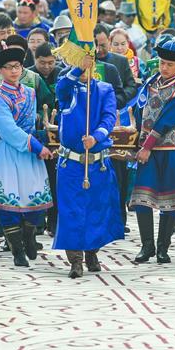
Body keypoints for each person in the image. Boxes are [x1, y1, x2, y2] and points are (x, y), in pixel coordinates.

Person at [130, 40, 175, 264]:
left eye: (170, 65)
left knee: (172, 200)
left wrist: (146, 147)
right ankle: (147, 246)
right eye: (162, 63)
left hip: (172, 149)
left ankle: (163, 247)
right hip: (147, 149)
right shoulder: (150, 83)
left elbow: (166, 121)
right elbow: (138, 109)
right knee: (143, 198)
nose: (164, 68)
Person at [53, 55, 122, 277]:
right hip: (71, 163)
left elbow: (109, 117)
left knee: (97, 209)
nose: (85, 69)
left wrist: (96, 137)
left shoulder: (104, 89)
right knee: (71, 211)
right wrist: (76, 69)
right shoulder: (67, 88)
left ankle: (92, 251)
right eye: (80, 65)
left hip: (98, 161)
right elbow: (61, 87)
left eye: (87, 65)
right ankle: (75, 260)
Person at [0, 46, 53, 268]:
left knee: (35, 200)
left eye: (17, 66)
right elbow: (9, 130)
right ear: (1, 72)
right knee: (9, 202)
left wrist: (47, 136)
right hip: (9, 152)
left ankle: (30, 237)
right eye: (8, 67)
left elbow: (32, 124)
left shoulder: (31, 93)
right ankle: (17, 250)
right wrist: (36, 146)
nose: (14, 71)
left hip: (30, 154)